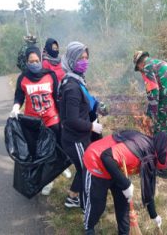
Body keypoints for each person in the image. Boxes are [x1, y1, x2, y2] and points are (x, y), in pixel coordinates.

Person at [82, 130, 167, 235]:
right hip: (96, 163)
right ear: (163, 154)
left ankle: (124, 233)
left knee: (124, 204)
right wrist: (126, 184)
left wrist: (154, 215)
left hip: (116, 168)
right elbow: (106, 157)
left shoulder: (150, 157)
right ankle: (89, 227)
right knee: (97, 205)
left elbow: (148, 187)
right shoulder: (135, 149)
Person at [9, 46, 61, 195]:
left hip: (52, 119)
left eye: (37, 60)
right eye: (31, 61)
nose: (35, 63)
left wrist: (62, 117)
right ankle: (46, 179)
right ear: (26, 62)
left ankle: (53, 174)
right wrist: (16, 107)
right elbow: (19, 96)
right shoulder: (23, 78)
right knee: (39, 152)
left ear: (41, 60)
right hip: (33, 123)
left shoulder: (50, 75)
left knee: (54, 149)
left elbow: (57, 97)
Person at [60, 41, 103, 208]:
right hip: (75, 139)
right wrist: (92, 127)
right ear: (71, 59)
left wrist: (97, 105)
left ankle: (73, 198)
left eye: (86, 57)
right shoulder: (71, 87)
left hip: (80, 136)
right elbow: (71, 119)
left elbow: (83, 103)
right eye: (80, 58)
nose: (84, 61)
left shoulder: (76, 80)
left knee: (84, 168)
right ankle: (86, 206)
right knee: (86, 170)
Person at [42, 37, 71, 179]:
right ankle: (57, 164)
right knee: (55, 132)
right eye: (52, 47)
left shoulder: (61, 60)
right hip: (53, 100)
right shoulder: (45, 63)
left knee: (64, 130)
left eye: (56, 47)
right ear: (47, 48)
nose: (55, 50)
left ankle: (64, 161)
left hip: (65, 97)